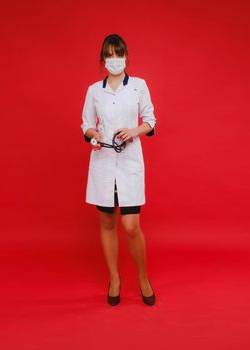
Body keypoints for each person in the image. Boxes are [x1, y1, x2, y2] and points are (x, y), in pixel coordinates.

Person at [80, 34, 157, 306]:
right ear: (103, 60)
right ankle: (114, 278)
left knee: (131, 225)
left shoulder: (138, 86)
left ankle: (143, 277)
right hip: (103, 162)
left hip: (129, 162)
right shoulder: (94, 90)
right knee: (107, 222)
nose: (115, 60)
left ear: (126, 57)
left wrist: (133, 131)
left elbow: (150, 119)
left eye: (119, 54)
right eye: (110, 55)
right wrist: (94, 135)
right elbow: (86, 123)